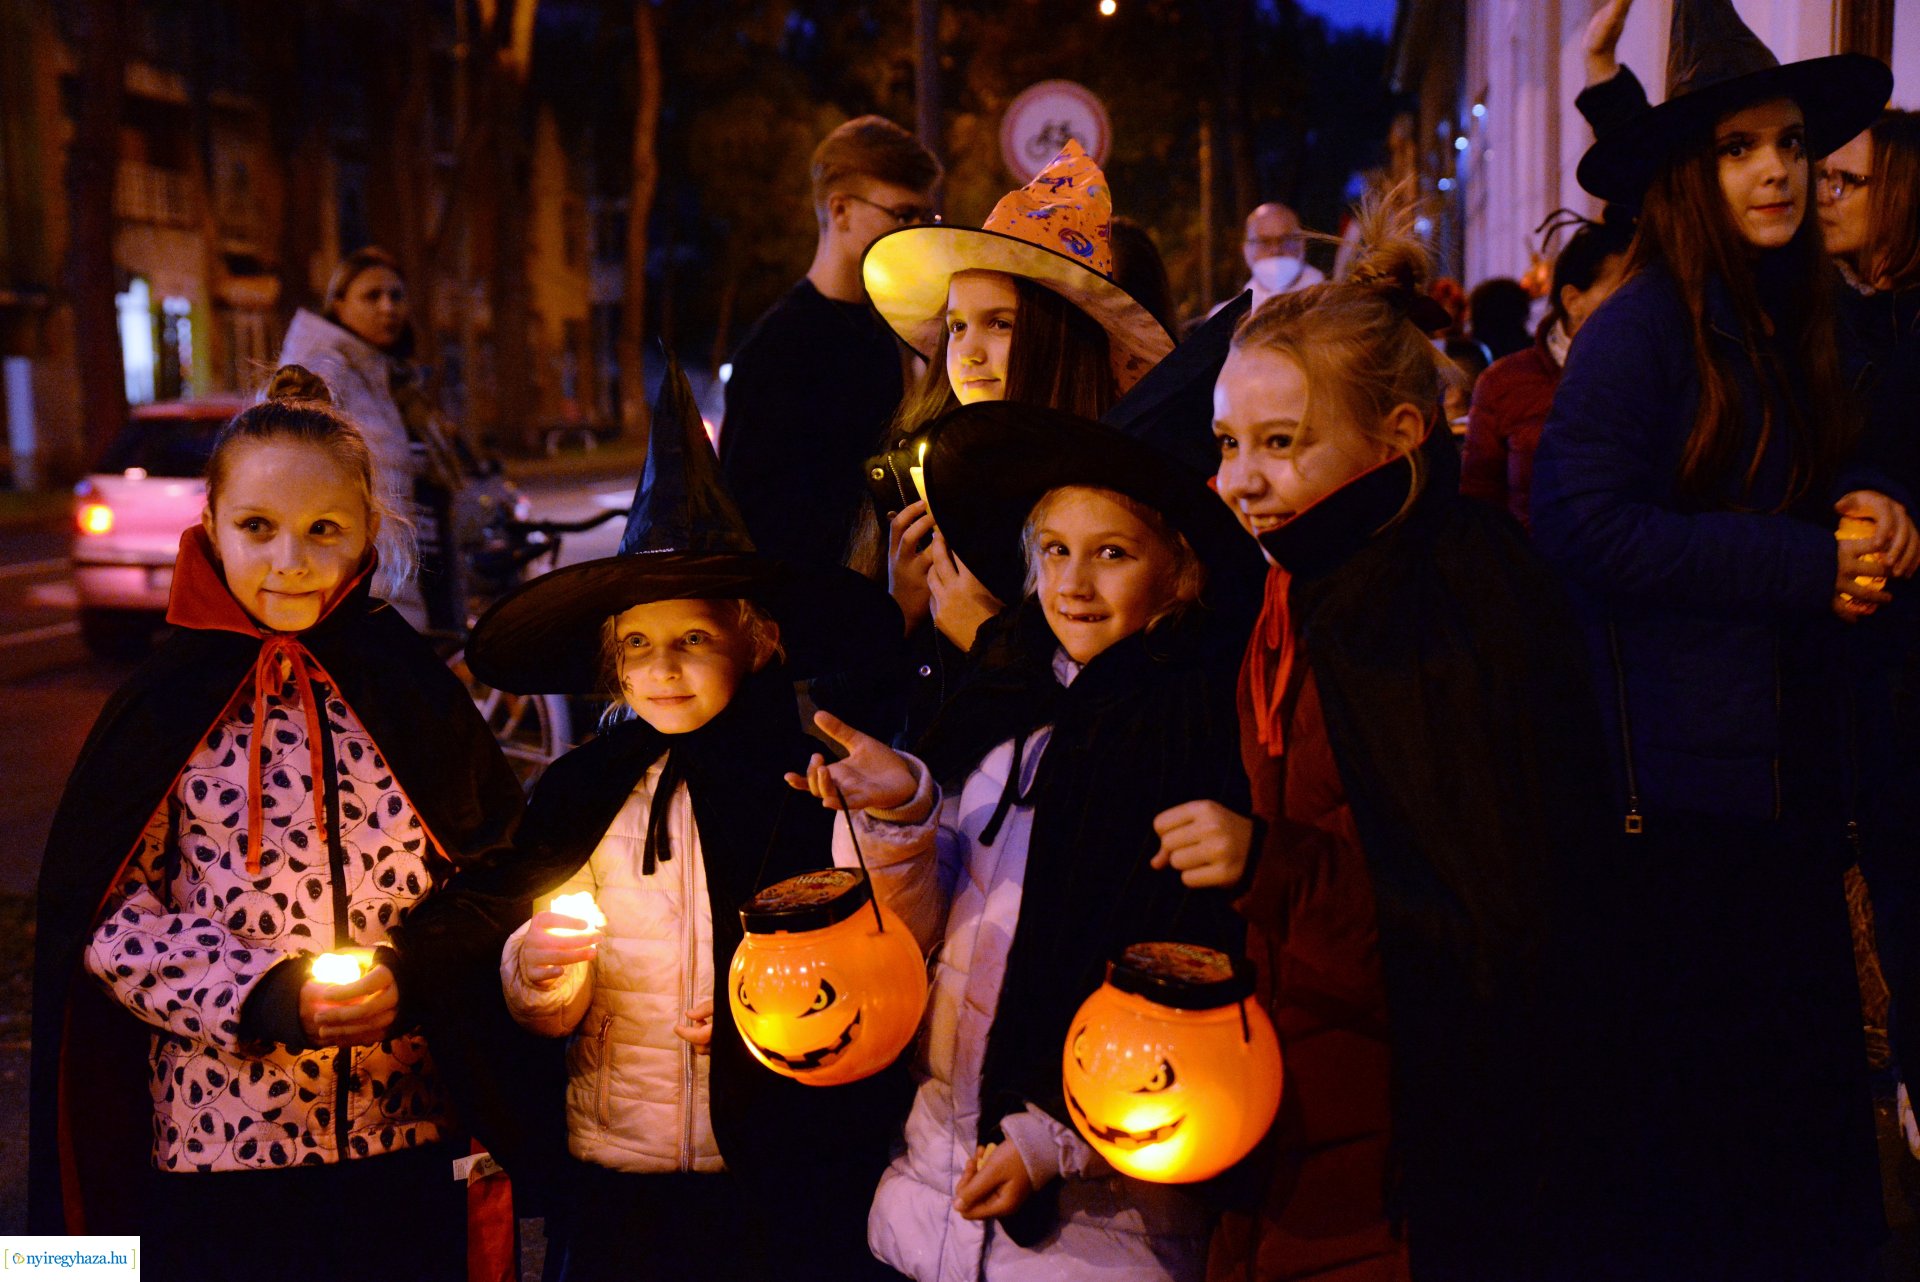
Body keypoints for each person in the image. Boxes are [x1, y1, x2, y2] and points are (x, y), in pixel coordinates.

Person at [1538, 0, 1909, 1271]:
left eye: (1793, 144)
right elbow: (1581, 525)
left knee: (1803, 1148)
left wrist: (1887, 503)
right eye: (1743, 146)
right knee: (1717, 1159)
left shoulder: (1800, 310)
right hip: (1683, 811)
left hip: (1794, 785)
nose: (1778, 171)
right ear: (1692, 171)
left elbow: (1865, 445)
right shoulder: (1644, 323)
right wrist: (1804, 565)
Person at [398, 359, 905, 1282]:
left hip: (761, 1175)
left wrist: (770, 1026)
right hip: (614, 1169)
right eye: (638, 644)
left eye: (693, 640)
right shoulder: (583, 790)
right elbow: (528, 979)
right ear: (612, 662)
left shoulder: (805, 786)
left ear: (757, 639)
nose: (662, 667)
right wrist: (536, 975)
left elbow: (869, 951)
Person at [27, 366, 525, 1279]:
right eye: (257, 527)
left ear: (369, 534)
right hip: (221, 1151)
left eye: (322, 530)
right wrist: (266, 994)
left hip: (405, 1136)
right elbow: (107, 926)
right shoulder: (161, 705)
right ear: (210, 526)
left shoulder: (411, 688)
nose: (289, 561)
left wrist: (415, 977)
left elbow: (497, 882)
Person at [1206, 189, 1611, 1281]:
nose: (1242, 478)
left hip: (1422, 1163)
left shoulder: (1437, 608)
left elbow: (1486, 924)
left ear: (1401, 432)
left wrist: (1265, 864)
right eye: (1229, 442)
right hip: (1304, 1116)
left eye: (1281, 443)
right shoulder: (1307, 582)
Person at [786, 400, 1263, 1282]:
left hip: (1099, 1224)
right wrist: (899, 813)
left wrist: (1051, 1140)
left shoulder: (1184, 732)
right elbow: (912, 941)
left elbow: (1178, 960)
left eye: (1111, 553)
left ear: (1180, 571)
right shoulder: (1002, 707)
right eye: (1055, 552)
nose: (1074, 584)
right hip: (931, 1182)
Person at [855, 140, 1174, 739]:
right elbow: (856, 709)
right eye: (955, 326)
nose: (967, 351)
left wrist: (990, 639)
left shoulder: (1123, 495)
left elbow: (1134, 712)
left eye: (999, 323)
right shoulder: (912, 482)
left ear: (1059, 338)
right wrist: (891, 620)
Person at [718, 116, 943, 571]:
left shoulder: (887, 329)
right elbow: (754, 518)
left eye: (924, 216)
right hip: (818, 615)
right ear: (839, 210)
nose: (916, 230)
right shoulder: (776, 348)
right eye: (902, 215)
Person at [279, 247, 474, 629]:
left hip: (403, 581)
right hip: (365, 592)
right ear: (337, 304)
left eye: (396, 296)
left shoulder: (385, 377)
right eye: (372, 296)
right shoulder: (326, 366)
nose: (388, 308)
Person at [1460, 210, 1633, 530]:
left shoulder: (1665, 374)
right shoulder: (1503, 383)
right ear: (1573, 300)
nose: (1640, 310)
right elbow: (1479, 503)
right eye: (1623, 296)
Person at [1212, 203, 1327, 317]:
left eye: (1285, 239)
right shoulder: (1224, 318)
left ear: (1302, 243)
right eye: (1264, 241)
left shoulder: (1331, 305)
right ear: (1246, 248)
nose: (1276, 250)